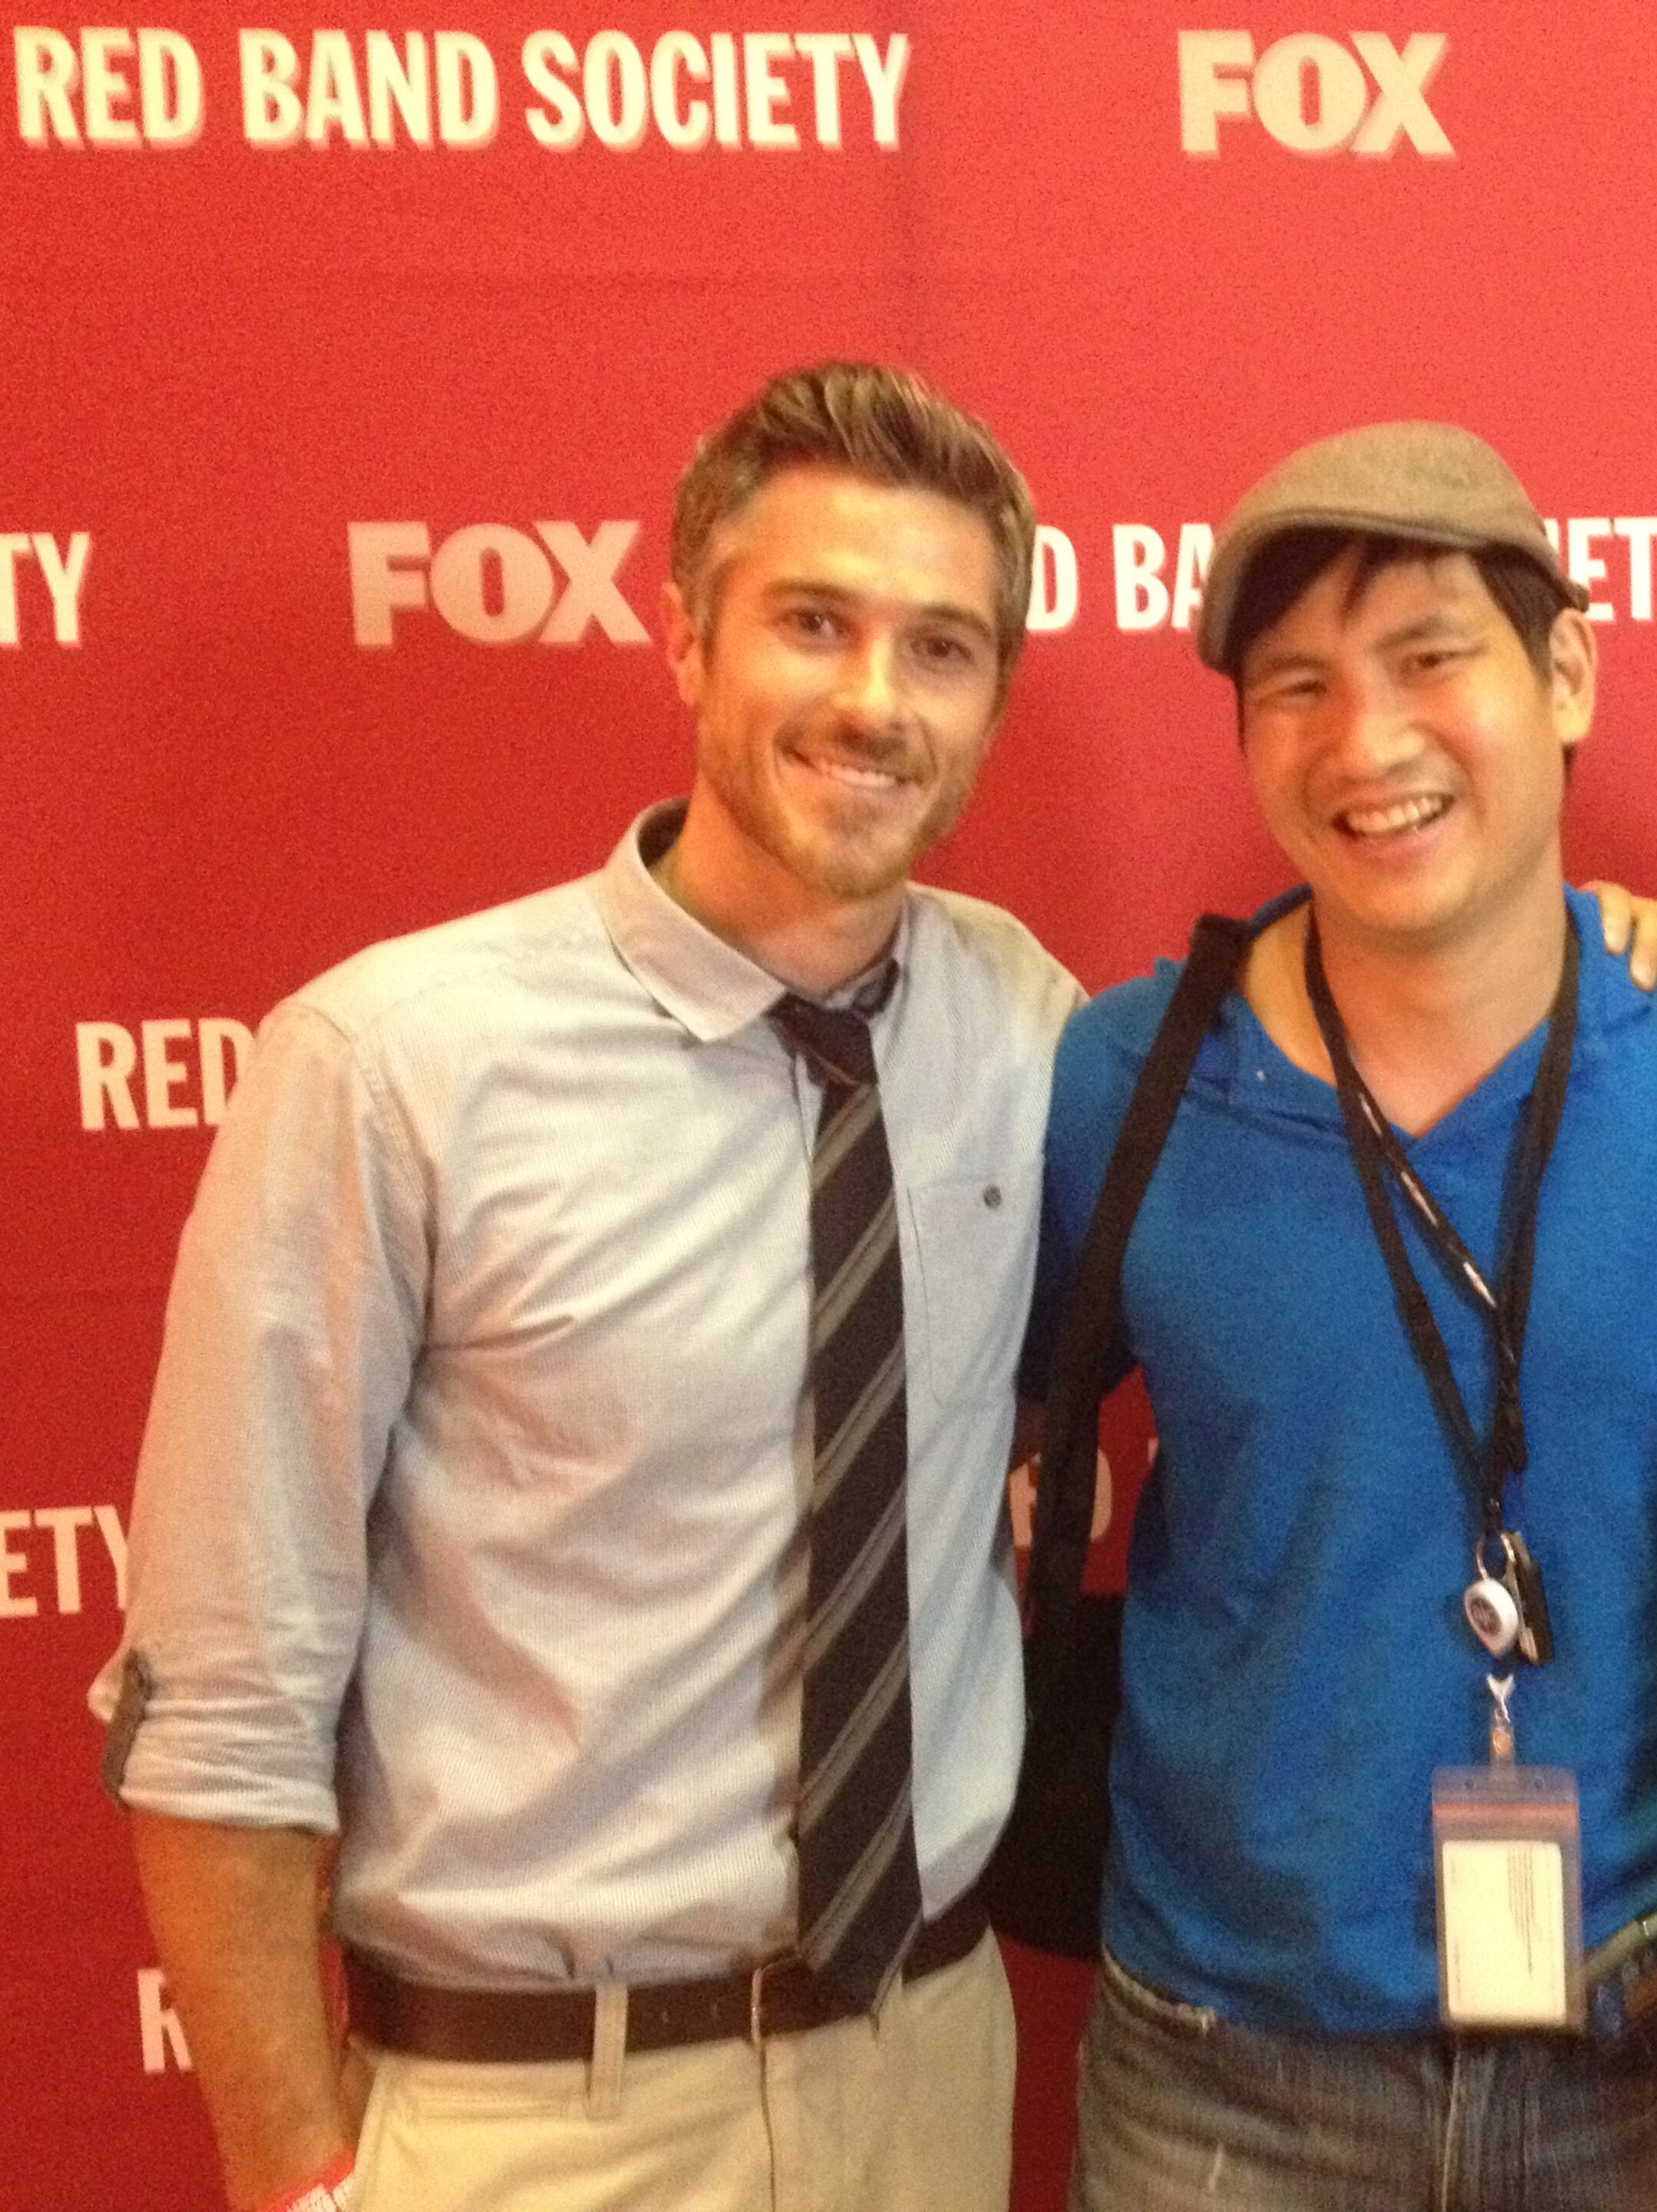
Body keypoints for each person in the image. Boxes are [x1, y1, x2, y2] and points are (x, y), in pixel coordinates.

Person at [93, 360, 1077, 2212]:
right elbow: (224, 1695)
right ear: (685, 639)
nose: (876, 700)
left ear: (994, 700)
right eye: (814, 623)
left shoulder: (1024, 1018)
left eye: (942, 650)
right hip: (542, 2126)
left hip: (930, 2073)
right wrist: (295, 2175)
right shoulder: (393, 1065)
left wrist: (1591, 940)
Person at [1029, 422, 1657, 2212]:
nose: (1366, 741)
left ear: (1566, 674)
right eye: (1295, 685)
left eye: (1428, 659)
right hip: (1222, 2071)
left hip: (1655, 2039)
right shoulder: (1123, 1081)